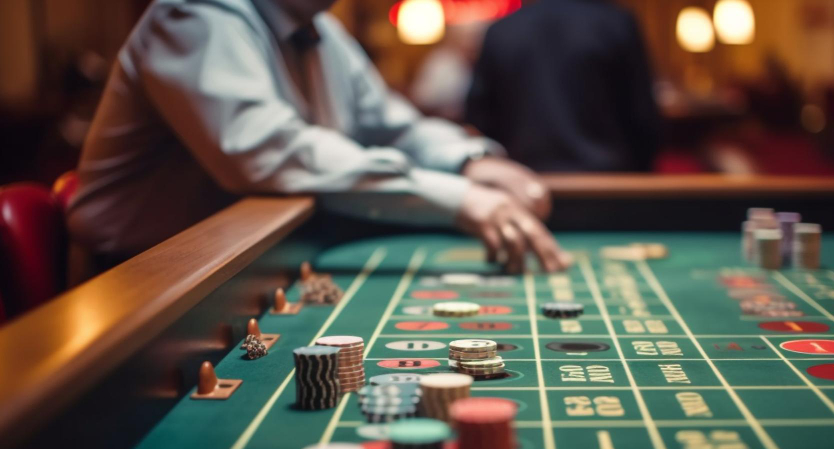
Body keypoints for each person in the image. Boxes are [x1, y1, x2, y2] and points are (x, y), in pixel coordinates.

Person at [68, 0, 570, 275]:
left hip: (250, 260)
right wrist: (461, 200)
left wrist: (471, 162)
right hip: (139, 277)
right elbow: (268, 151)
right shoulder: (196, 13)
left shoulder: (321, 29)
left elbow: (393, 125)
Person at [465, 0, 660, 172]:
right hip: (608, 182)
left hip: (523, 184)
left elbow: (479, 119)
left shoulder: (501, 31)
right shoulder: (616, 23)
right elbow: (642, 115)